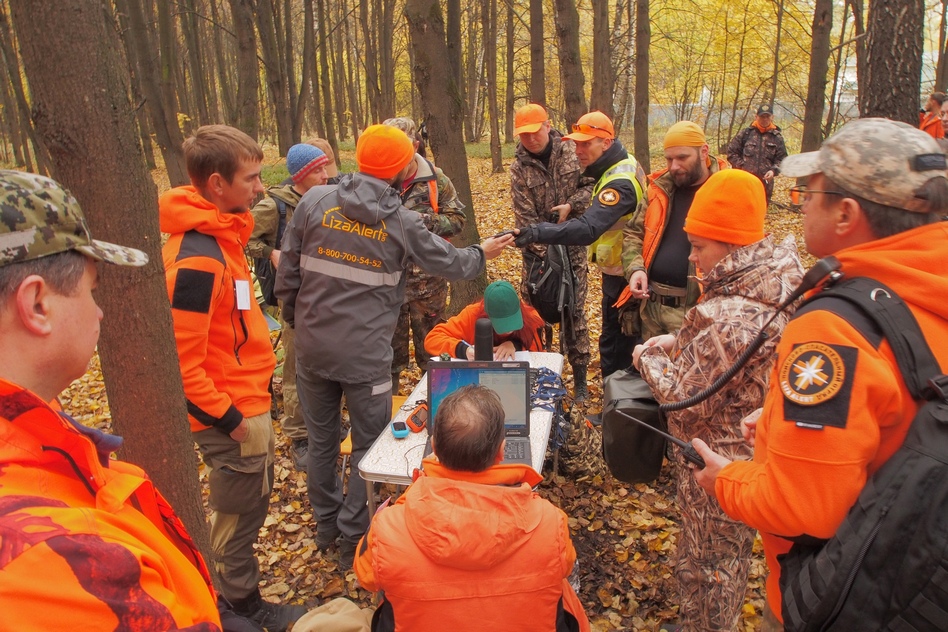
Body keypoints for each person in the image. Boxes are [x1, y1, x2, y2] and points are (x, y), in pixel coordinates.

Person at [691, 118, 948, 630]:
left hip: (847, 593)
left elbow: (803, 509)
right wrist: (782, 419)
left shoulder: (835, 330)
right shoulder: (926, 288)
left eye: (810, 193)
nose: (802, 205)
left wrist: (726, 480)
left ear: (847, 213)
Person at [0, 171, 237, 629]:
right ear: (38, 305)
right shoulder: (55, 559)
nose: (100, 311)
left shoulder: (39, 437)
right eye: (91, 291)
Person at [276, 124, 513, 568]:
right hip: (365, 359)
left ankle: (326, 526)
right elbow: (453, 262)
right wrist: (484, 252)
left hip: (312, 349)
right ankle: (351, 536)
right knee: (367, 446)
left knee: (322, 442)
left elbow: (287, 274)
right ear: (405, 168)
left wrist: (298, 323)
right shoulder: (402, 222)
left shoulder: (314, 201)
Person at [632, 169, 804, 631]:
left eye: (699, 246)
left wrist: (647, 357)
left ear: (731, 245)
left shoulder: (733, 315)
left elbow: (684, 400)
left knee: (710, 569)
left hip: (717, 462)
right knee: (715, 560)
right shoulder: (770, 280)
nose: (691, 257)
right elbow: (733, 356)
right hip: (740, 451)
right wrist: (683, 340)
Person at [160, 124, 305, 630]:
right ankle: (240, 604)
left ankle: (236, 594)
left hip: (248, 399)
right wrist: (232, 422)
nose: (261, 188)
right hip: (231, 412)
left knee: (250, 505)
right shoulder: (197, 261)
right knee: (239, 515)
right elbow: (181, 365)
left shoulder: (223, 236)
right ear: (217, 184)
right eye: (252, 178)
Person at [354, 384, 590, 632]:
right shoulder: (550, 523)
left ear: (434, 447)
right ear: (502, 451)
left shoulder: (388, 528)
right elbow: (566, 568)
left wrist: (413, 493)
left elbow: (366, 576)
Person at [515, 110, 645, 383]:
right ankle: (541, 370)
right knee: (543, 313)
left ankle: (599, 387)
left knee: (607, 336)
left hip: (625, 270)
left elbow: (588, 227)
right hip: (609, 267)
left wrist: (559, 215)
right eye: (577, 144)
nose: (579, 150)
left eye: (585, 144)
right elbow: (524, 212)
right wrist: (540, 247)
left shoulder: (617, 179)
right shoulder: (608, 166)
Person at [247, 143, 330, 471]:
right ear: (300, 175)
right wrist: (270, 252)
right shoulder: (275, 206)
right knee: (297, 366)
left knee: (327, 362)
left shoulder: (327, 198)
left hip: (328, 295)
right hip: (294, 297)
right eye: (317, 170)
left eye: (325, 167)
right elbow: (243, 237)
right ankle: (299, 436)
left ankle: (324, 424)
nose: (325, 175)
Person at [510, 103, 593, 399]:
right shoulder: (519, 168)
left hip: (574, 248)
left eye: (535, 131)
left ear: (548, 126)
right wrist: (546, 255)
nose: (531, 139)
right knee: (537, 314)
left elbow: (591, 187)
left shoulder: (572, 151)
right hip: (538, 257)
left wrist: (571, 206)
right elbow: (524, 218)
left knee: (574, 311)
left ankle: (580, 379)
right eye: (524, 134)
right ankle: (541, 373)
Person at [622, 121, 729, 343]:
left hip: (696, 311)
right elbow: (633, 233)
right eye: (669, 159)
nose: (674, 166)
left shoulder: (726, 190)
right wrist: (635, 269)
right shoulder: (658, 189)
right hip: (651, 309)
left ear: (704, 152)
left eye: (682, 158)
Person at [382, 117, 467, 389]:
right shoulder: (376, 178)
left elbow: (458, 219)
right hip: (386, 284)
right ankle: (388, 409)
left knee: (433, 356)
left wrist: (424, 222)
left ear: (415, 145)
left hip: (428, 286)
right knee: (387, 361)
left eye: (401, 146)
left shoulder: (435, 179)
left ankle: (436, 405)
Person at [424, 280, 545, 360]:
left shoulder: (532, 318)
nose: (509, 330)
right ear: (487, 316)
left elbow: (540, 358)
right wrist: (463, 350)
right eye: (502, 324)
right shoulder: (472, 315)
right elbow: (432, 339)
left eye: (512, 322)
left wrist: (515, 346)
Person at [726, 103, 788, 202]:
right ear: (756, 117)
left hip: (765, 184)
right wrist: (742, 167)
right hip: (745, 181)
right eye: (762, 116)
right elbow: (731, 152)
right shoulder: (746, 134)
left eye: (767, 117)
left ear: (772, 117)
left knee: (761, 209)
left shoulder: (777, 137)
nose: (765, 119)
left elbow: (782, 160)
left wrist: (773, 171)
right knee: (742, 205)